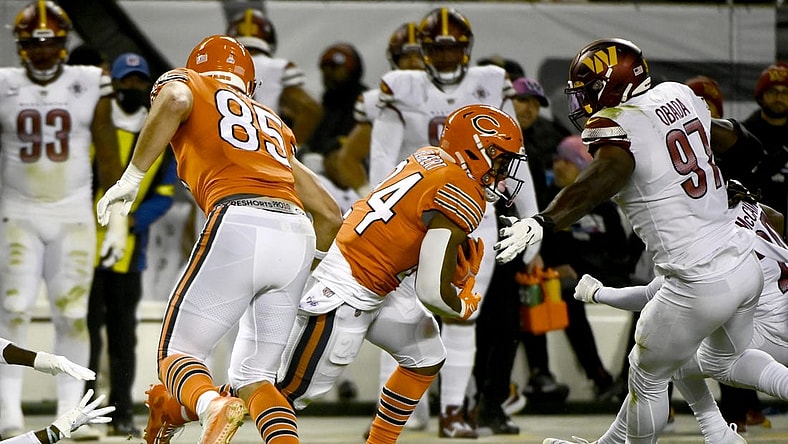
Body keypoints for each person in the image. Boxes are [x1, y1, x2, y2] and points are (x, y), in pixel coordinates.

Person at [493, 37, 788, 443]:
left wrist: (544, 220)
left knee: (647, 373)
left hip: (697, 275)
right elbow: (730, 136)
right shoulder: (677, 94)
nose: (582, 102)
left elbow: (600, 179)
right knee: (717, 361)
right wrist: (752, 164)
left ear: (612, 84)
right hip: (741, 265)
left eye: (588, 89)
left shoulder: (617, 124)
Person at [95, 35, 342, 444]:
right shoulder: (272, 122)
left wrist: (132, 178)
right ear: (249, 81)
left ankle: (211, 406)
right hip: (296, 229)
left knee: (177, 354)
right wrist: (308, 265)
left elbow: (174, 99)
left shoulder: (190, 83)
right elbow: (330, 212)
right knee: (256, 377)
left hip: (239, 217)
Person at [275, 103, 529, 444]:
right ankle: (186, 405)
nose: (502, 171)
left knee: (425, 356)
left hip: (378, 280)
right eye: (499, 160)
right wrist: (462, 304)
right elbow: (432, 294)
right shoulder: (462, 190)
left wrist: (445, 270)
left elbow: (404, 233)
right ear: (475, 150)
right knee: (283, 393)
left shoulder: (429, 157)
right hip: (347, 286)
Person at [367, 8, 540, 438]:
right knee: (400, 310)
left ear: (467, 50)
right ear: (422, 51)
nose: (445, 58)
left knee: (464, 311)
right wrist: (379, 213)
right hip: (415, 214)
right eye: (437, 49)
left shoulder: (490, 81)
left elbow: (513, 161)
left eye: (453, 49)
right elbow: (381, 163)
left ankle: (453, 412)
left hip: (472, 213)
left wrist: (531, 219)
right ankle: (399, 411)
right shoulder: (401, 87)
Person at [551, 181, 787, 444]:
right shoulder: (744, 206)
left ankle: (718, 434)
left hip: (767, 332)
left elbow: (650, 295)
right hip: (774, 314)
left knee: (666, 358)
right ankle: (716, 435)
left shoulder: (704, 236)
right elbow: (776, 218)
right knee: (664, 358)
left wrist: (597, 293)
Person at [0, 1, 123, 438]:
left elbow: (108, 155)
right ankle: (8, 410)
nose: (44, 52)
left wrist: (119, 220)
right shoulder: (4, 84)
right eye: (35, 44)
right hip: (18, 211)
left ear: (65, 43)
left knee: (72, 314)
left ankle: (73, 411)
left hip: (72, 213)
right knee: (12, 310)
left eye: (51, 43)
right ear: (20, 46)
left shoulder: (89, 82)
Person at [85, 52, 177, 438]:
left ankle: (121, 409)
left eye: (140, 82)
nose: (133, 88)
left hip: (130, 251)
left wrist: (134, 221)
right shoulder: (94, 124)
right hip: (84, 246)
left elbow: (166, 193)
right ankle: (83, 406)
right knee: (85, 331)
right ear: (116, 84)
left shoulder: (159, 132)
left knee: (123, 335)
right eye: (127, 81)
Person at [519, 135, 626, 405]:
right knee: (567, 295)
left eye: (565, 161)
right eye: (555, 160)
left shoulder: (605, 208)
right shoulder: (546, 206)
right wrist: (555, 267)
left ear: (582, 167)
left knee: (652, 295)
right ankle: (598, 377)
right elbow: (537, 249)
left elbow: (620, 250)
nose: (557, 166)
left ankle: (630, 381)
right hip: (565, 279)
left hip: (605, 276)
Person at [323, 21, 424, 198]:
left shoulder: (457, 96)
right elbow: (348, 158)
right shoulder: (377, 101)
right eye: (406, 56)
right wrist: (369, 198)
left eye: (420, 56)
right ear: (395, 59)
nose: (414, 63)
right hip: (396, 195)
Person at [226, 8, 323, 146]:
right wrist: (289, 151)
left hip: (221, 152)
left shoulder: (213, 67)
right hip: (264, 152)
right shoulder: (280, 69)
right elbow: (311, 110)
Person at [716, 64, 788, 233]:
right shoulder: (743, 136)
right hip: (753, 224)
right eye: (773, 91)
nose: (779, 97)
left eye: (785, 92)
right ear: (761, 96)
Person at [510, 77, 571, 209]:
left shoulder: (534, 152)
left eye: (536, 105)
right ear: (507, 100)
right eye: (523, 100)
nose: (529, 109)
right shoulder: (482, 133)